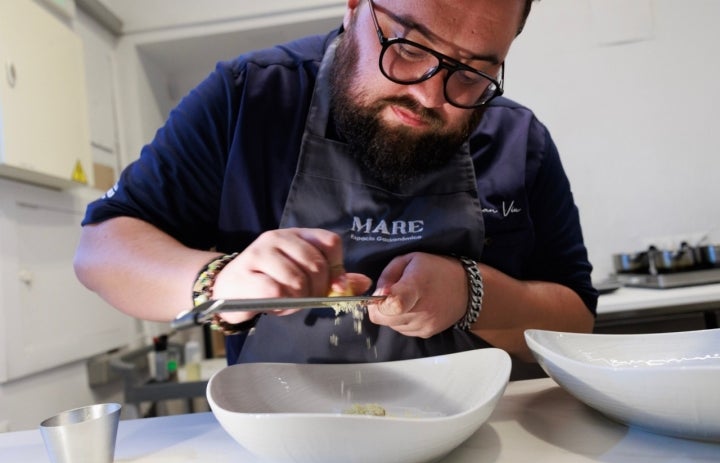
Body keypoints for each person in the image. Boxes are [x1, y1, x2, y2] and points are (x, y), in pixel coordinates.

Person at [74, 0, 597, 370]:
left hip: (468, 439)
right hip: (284, 443)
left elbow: (576, 320)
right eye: (411, 47)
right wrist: (221, 279)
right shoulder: (249, 99)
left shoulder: (517, 140)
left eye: (474, 73)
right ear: (354, 7)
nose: (432, 96)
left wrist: (473, 295)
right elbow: (101, 251)